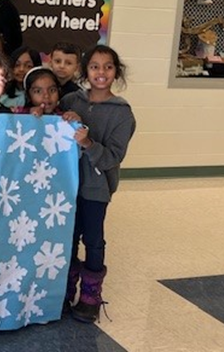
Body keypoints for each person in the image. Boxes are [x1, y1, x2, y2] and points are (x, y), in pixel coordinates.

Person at [60, 45, 136, 323]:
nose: (100, 72)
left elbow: (112, 158)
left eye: (108, 67)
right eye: (94, 66)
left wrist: (88, 142)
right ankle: (64, 291)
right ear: (85, 71)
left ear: (116, 72)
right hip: (66, 186)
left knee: (93, 240)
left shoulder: (122, 114)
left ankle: (90, 296)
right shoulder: (70, 101)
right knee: (67, 238)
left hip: (95, 190)